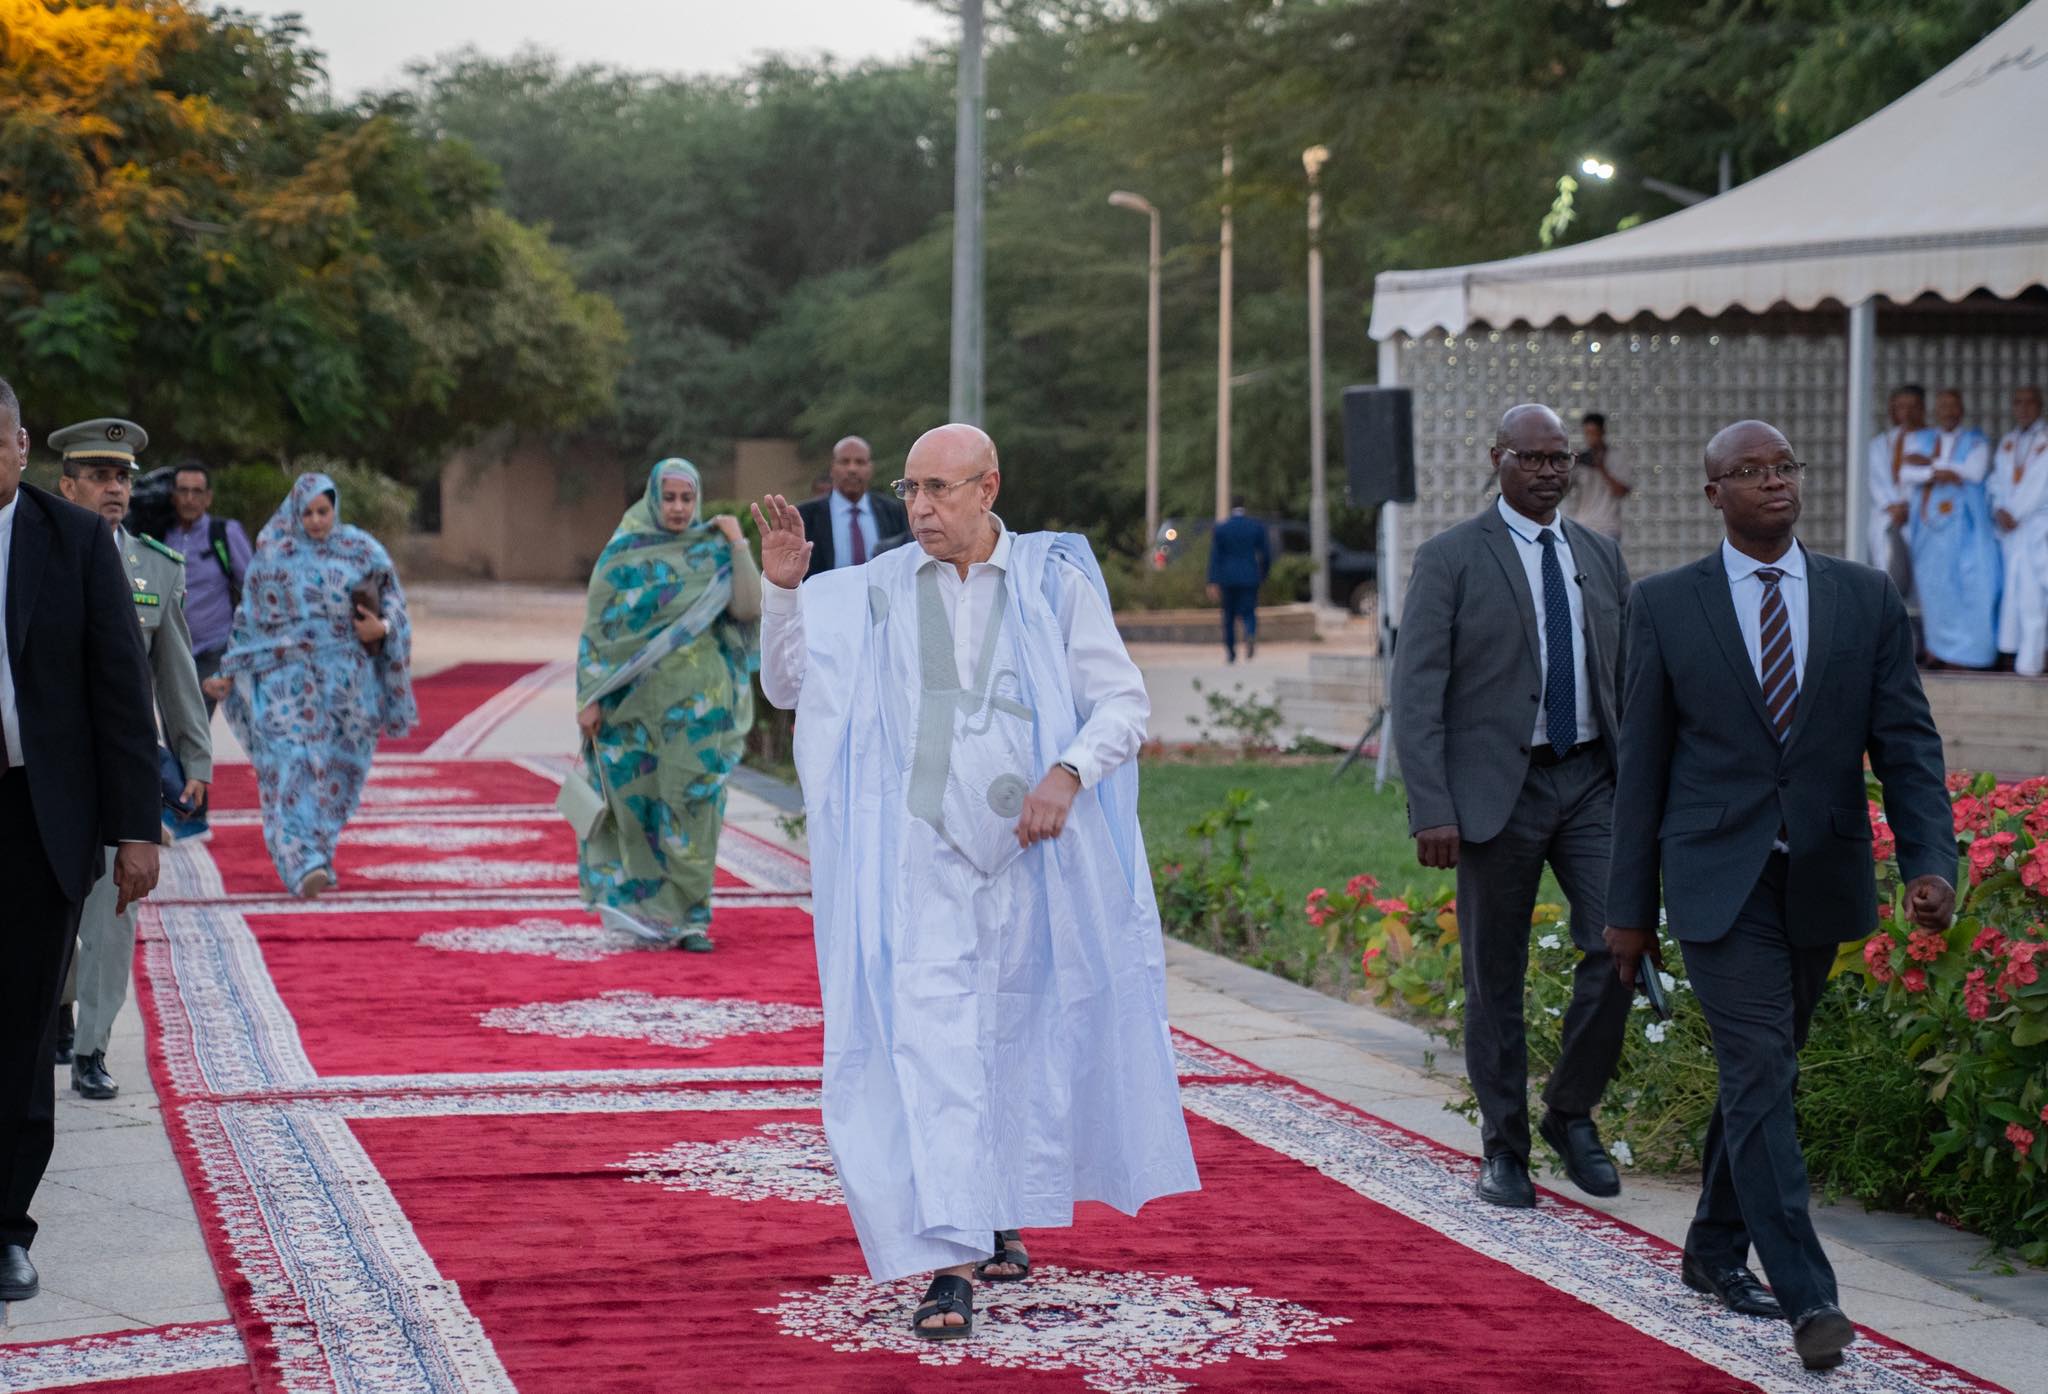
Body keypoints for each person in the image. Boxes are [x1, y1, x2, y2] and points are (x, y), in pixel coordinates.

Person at [751, 423, 1199, 1341]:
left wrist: (1066, 774)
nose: (920, 508)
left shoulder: (1051, 583)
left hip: (1035, 868)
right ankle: (949, 1265)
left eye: (939, 490)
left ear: (988, 488)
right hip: (917, 869)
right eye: (910, 490)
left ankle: (996, 1208)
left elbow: (1122, 702)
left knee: (1017, 1038)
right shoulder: (876, 589)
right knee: (932, 1045)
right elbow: (791, 687)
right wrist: (784, 591)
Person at [1605, 420, 1954, 1373]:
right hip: (1715, 877)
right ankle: (1811, 1297)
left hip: (1820, 876)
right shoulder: (1665, 604)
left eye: (1785, 467)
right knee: (1761, 1067)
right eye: (1750, 471)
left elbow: (1907, 744)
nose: (1774, 482)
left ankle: (1714, 1245)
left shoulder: (1864, 597)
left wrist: (1930, 862)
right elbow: (1642, 769)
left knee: (1764, 1073)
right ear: (1713, 493)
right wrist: (1627, 911)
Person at [1390, 403, 1633, 1210]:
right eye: (1531, 458)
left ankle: (1569, 1110)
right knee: (1496, 975)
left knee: (1620, 944)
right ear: (1498, 459)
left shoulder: (1599, 556)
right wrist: (1432, 805)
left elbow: (1627, 676)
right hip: (1499, 790)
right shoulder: (1452, 558)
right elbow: (1416, 690)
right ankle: (1504, 1148)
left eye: (1559, 459)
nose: (1548, 471)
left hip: (1591, 780)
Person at [0, 378, 160, 1303]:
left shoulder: (73, 542)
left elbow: (120, 689)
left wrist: (137, 828)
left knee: (24, 1027)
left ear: (22, 448)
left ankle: (6, 1227)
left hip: (37, 816)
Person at [49, 419, 210, 1103]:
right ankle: (58, 1009)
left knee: (114, 913)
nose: (114, 488)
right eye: (98, 477)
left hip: (122, 768)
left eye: (121, 477)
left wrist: (195, 757)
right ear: (67, 487)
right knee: (51, 903)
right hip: (48, 769)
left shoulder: (154, 568)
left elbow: (176, 672)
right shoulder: (34, 557)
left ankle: (92, 1046)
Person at [573, 458, 760, 951]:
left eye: (687, 498)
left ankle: (692, 919)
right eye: (670, 498)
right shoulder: (623, 555)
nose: (678, 508)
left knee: (693, 806)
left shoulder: (712, 551)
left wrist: (738, 543)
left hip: (702, 709)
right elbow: (597, 634)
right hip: (628, 711)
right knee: (637, 809)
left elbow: (748, 608)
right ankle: (644, 912)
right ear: (653, 499)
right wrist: (589, 698)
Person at [215, 473, 416, 898]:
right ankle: (300, 861)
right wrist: (229, 670)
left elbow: (395, 603)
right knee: (290, 765)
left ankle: (319, 851)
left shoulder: (361, 549)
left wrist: (382, 627)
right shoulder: (273, 556)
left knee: (343, 771)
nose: (316, 520)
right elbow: (248, 621)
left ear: (335, 508)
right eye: (306, 513)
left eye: (323, 511)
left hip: (349, 686)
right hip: (286, 683)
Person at [1902, 388, 2000, 668]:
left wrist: (1929, 465)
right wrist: (1944, 472)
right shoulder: (1920, 439)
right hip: (1930, 533)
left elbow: (1974, 472)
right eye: (1943, 406)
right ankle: (1939, 652)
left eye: (1953, 406)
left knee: (1975, 587)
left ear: (1961, 410)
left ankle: (1972, 655)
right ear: (1936, 411)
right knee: (1936, 591)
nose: (1948, 411)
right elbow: (1907, 473)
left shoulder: (1976, 441)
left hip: (1968, 532)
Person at [1990, 386, 2048, 675]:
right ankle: (2016, 659)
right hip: (2011, 533)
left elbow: (2039, 486)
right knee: (2014, 597)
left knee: (2034, 598)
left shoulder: (2046, 440)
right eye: (2018, 402)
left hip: (2036, 529)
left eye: (2030, 402)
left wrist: (2014, 512)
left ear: (2040, 406)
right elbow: (1996, 482)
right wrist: (1999, 508)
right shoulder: (2008, 442)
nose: (2024, 408)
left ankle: (2031, 665)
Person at [795, 435, 909, 579]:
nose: (852, 469)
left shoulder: (894, 512)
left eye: (860, 462)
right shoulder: (805, 516)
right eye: (844, 462)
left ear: (870, 468)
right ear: (832, 468)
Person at [1865, 385, 1926, 597]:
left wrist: (1907, 506)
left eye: (1912, 406)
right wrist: (1893, 506)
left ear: (1922, 409)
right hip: (1889, 517)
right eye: (1901, 407)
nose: (1907, 413)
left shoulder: (1932, 441)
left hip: (1919, 517)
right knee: (1889, 577)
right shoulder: (1880, 444)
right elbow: (1875, 479)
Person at [1205, 496, 1270, 662]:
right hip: (1249, 576)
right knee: (1249, 611)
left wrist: (1212, 580)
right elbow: (1266, 554)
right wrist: (1263, 574)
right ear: (1244, 506)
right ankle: (1250, 633)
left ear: (1231, 507)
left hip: (1227, 578)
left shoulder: (1222, 528)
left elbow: (1215, 557)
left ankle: (1231, 651)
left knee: (1228, 615)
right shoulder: (1255, 527)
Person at [1565, 411, 1631, 541]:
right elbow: (1563, 491)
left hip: (1608, 526)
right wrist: (1571, 465)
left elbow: (1621, 492)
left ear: (1602, 432)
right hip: (1583, 524)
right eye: (1587, 434)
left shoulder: (1616, 458)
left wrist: (1601, 468)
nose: (1591, 438)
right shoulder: (1581, 460)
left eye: (1594, 433)